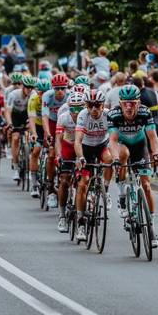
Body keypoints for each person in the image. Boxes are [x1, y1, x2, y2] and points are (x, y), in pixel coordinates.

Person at [107, 84, 158, 247]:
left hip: (140, 146)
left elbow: (152, 137)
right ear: (120, 103)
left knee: (146, 185)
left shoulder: (145, 112)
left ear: (139, 102)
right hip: (122, 145)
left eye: (132, 103)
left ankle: (151, 226)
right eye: (125, 103)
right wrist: (115, 158)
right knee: (123, 155)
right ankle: (122, 196)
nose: (129, 107)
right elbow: (113, 140)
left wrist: (156, 153)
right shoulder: (114, 114)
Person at [73, 90, 113, 242]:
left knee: (109, 159)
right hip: (86, 148)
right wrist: (81, 157)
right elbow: (77, 141)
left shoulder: (108, 115)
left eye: (97, 105)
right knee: (82, 184)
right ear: (86, 106)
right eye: (90, 105)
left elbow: (114, 138)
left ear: (103, 105)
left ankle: (105, 190)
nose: (94, 109)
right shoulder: (83, 115)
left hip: (102, 145)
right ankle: (81, 222)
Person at [54, 92, 86, 232]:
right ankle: (62, 215)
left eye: (79, 108)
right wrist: (58, 155)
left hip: (83, 146)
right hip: (68, 146)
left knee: (84, 179)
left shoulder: (87, 117)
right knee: (64, 180)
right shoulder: (63, 117)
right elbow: (58, 139)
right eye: (73, 108)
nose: (76, 112)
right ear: (68, 108)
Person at [41, 74, 69, 208]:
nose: (60, 91)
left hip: (65, 125)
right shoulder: (47, 96)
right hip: (52, 123)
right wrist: (47, 133)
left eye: (63, 88)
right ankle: (51, 188)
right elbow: (45, 116)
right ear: (53, 88)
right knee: (52, 154)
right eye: (57, 88)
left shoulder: (70, 96)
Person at [5, 75, 34, 182]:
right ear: (23, 87)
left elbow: (34, 113)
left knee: (29, 137)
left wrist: (31, 123)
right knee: (16, 138)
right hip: (15, 115)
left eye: (31, 87)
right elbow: (8, 111)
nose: (29, 89)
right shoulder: (13, 94)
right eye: (27, 87)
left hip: (27, 115)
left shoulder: (33, 95)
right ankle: (16, 167)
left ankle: (29, 166)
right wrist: (10, 123)